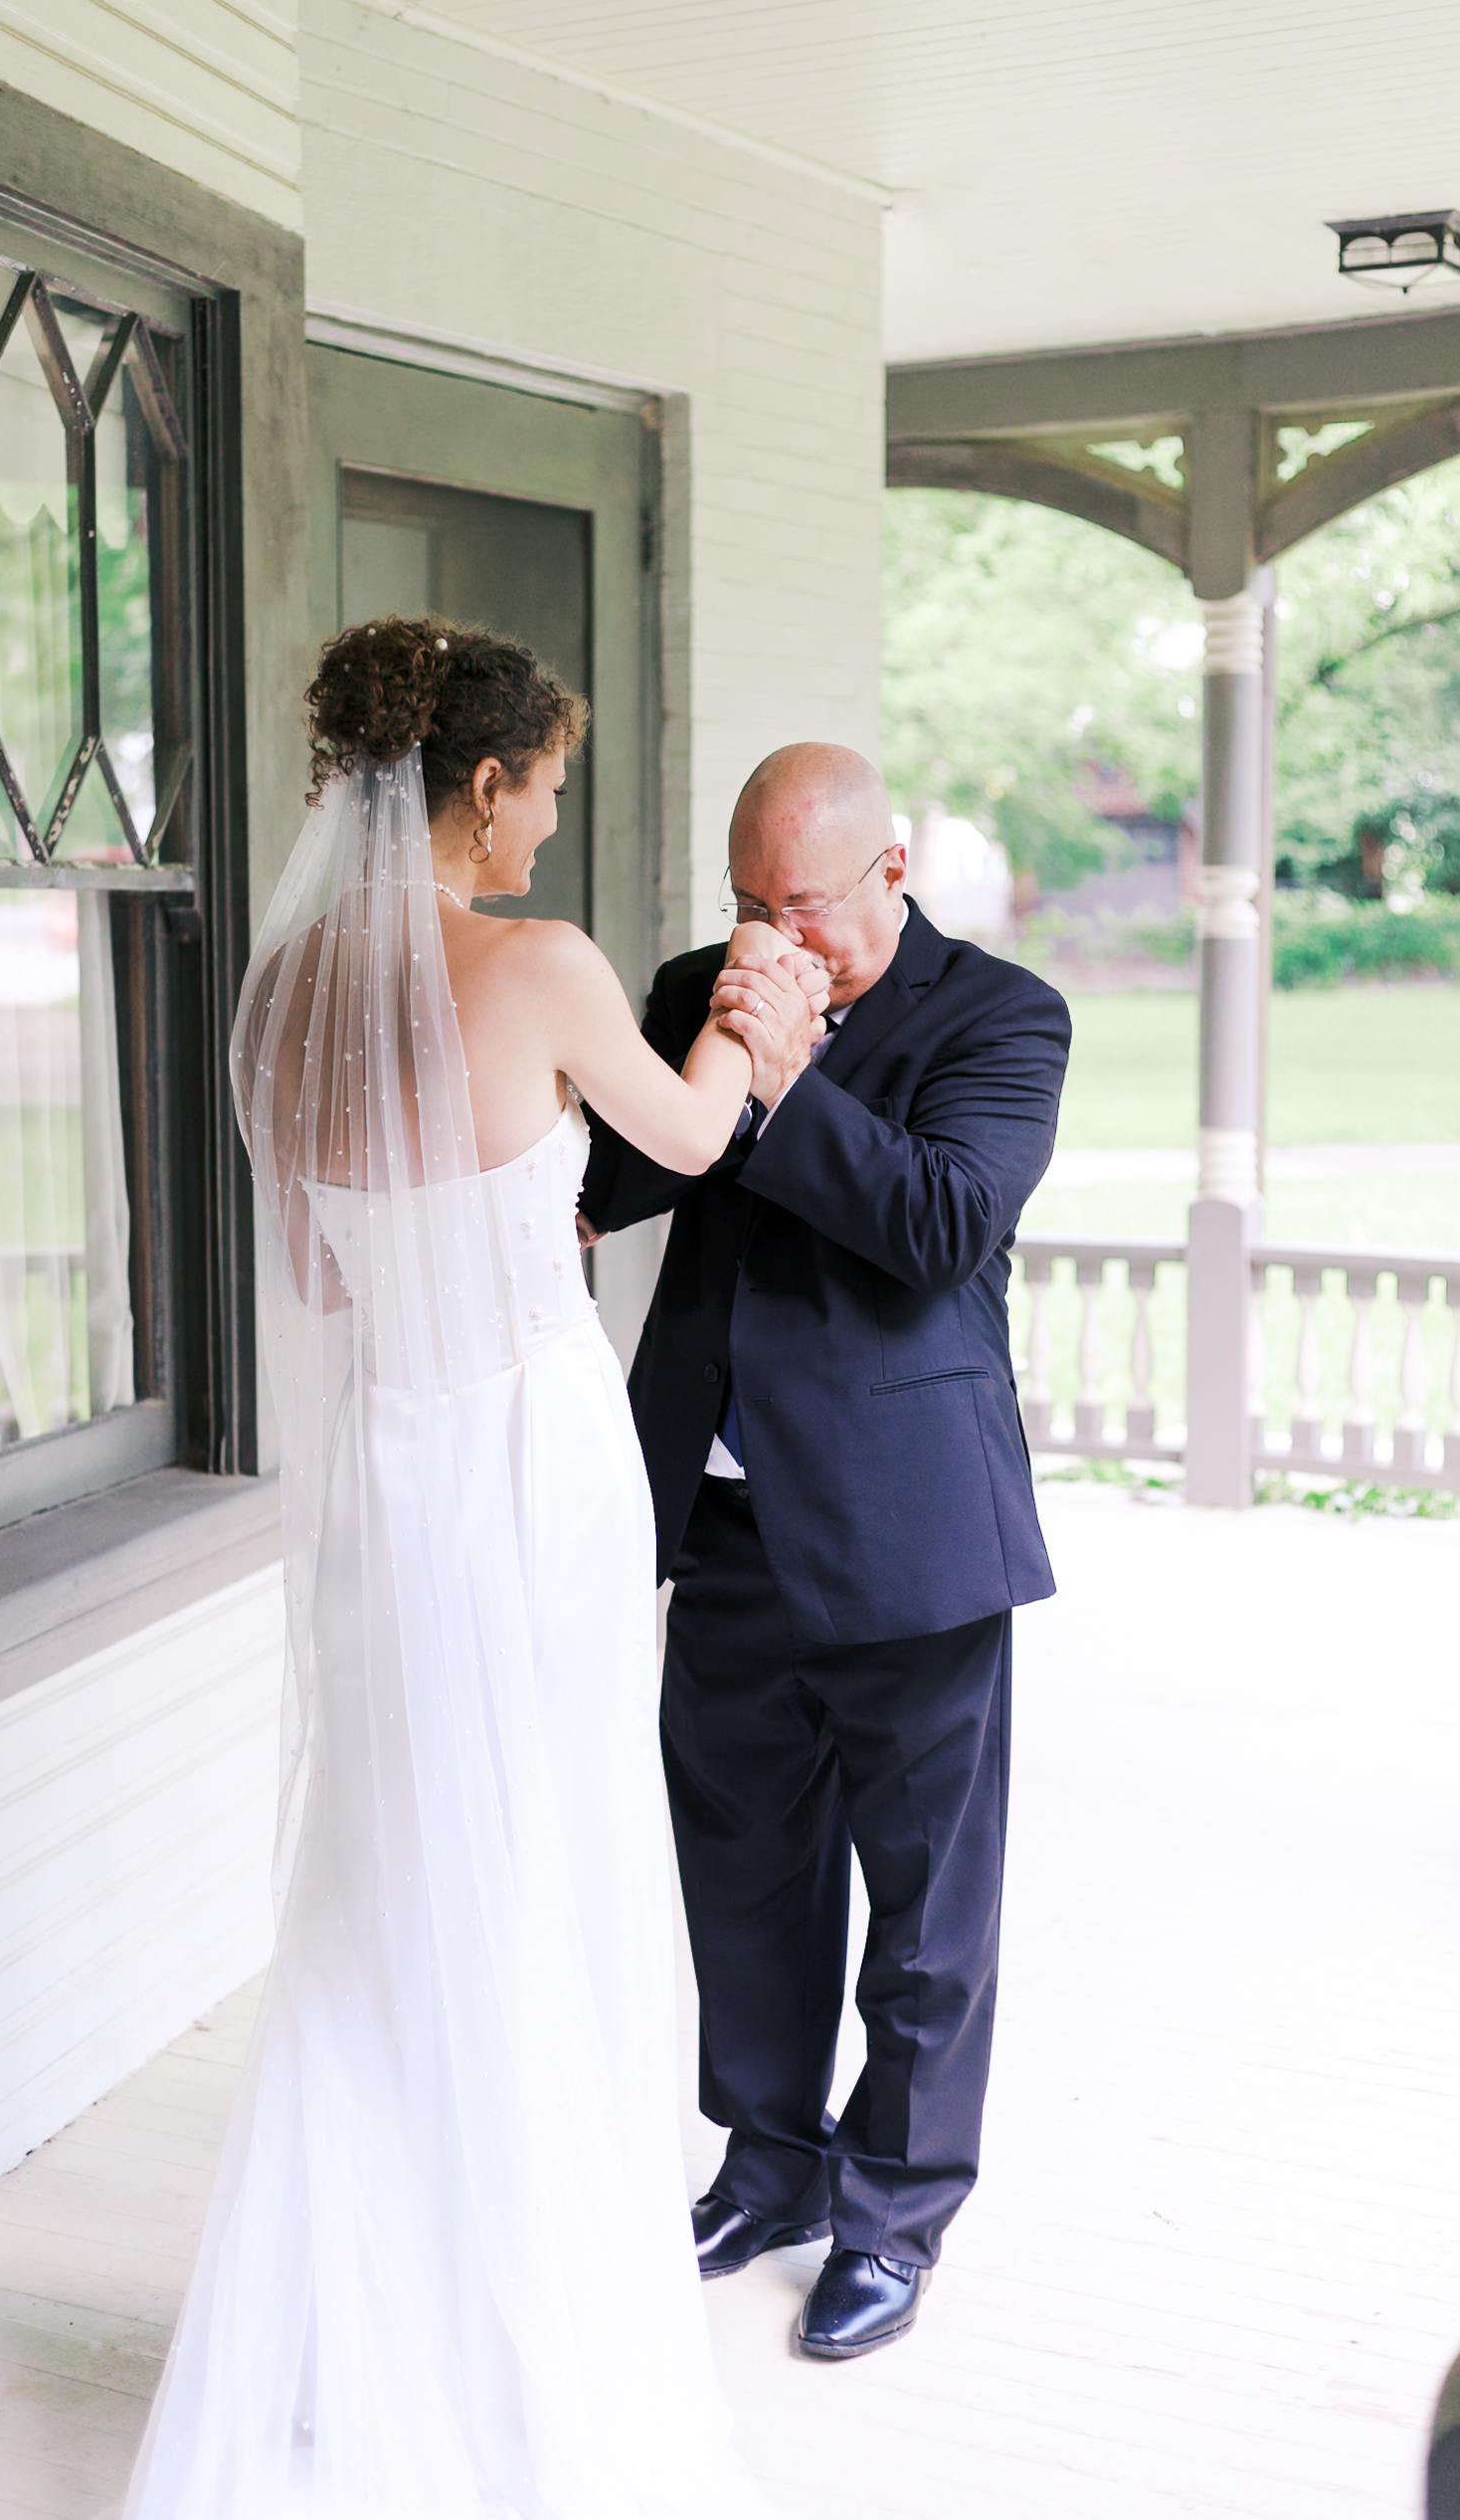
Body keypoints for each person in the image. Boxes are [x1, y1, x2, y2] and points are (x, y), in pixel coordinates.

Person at [121, 620, 821, 2519]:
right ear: (485, 782)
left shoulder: (278, 997)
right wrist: (752, 1028)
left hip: (378, 1475)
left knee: (387, 1881)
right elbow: (683, 1137)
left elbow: (326, 1276)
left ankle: (362, 2324)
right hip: (524, 1463)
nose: (548, 824)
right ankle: (528, 2337)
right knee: (552, 1873)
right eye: (548, 789)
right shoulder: (539, 967)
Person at [580, 742, 1071, 2362]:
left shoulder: (999, 1016)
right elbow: (626, 1177)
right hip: (720, 1516)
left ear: (890, 869)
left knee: (927, 1903)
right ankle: (770, 2163)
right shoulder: (689, 985)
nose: (768, 937)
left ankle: (894, 2212)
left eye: (799, 903)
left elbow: (939, 1223)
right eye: (743, 901)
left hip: (910, 1533)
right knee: (742, 1869)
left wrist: (785, 1079)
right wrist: (688, 1052)